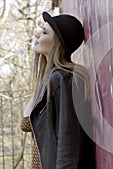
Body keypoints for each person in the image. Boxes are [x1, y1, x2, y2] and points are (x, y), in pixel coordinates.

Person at [20, 11, 95, 169]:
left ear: (58, 43)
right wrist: (41, 77)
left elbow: (69, 140)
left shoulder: (62, 79)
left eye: (45, 32)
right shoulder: (49, 79)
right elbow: (26, 123)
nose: (37, 35)